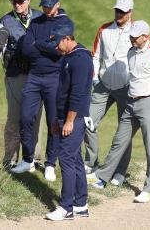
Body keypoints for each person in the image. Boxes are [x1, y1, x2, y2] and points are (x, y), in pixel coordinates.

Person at [87, 20, 150, 203]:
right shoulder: (131, 52)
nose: (131, 39)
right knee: (119, 140)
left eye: (135, 36)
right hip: (131, 102)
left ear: (145, 36)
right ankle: (102, 176)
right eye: (131, 36)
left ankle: (149, 189)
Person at [11, 0, 73, 182]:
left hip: (55, 77)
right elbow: (26, 48)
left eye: (49, 6)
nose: (46, 9)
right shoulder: (36, 22)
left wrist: (40, 44)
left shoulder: (65, 23)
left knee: (54, 122)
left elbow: (59, 51)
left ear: (57, 3)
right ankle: (28, 159)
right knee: (25, 118)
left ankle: (50, 164)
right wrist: (45, 44)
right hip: (34, 76)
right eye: (43, 6)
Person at [0, 0, 46, 169]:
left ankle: (35, 159)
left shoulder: (40, 18)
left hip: (37, 74)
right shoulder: (5, 20)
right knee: (14, 117)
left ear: (28, 0)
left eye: (20, 1)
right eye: (14, 1)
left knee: (36, 116)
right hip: (15, 74)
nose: (17, 5)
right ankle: (10, 158)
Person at [84, 0, 135, 186]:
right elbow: (95, 55)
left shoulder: (136, 31)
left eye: (122, 11)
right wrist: (95, 77)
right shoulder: (104, 29)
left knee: (125, 130)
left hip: (126, 87)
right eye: (117, 10)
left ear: (130, 12)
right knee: (87, 121)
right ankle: (91, 163)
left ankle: (120, 172)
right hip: (103, 84)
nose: (119, 14)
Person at [45, 23, 92, 221]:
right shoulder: (69, 57)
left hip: (75, 118)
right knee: (75, 160)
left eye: (57, 42)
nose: (55, 46)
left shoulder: (80, 59)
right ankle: (81, 204)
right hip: (65, 117)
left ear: (67, 39)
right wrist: (57, 118)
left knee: (65, 160)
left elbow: (78, 93)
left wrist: (69, 121)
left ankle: (66, 207)